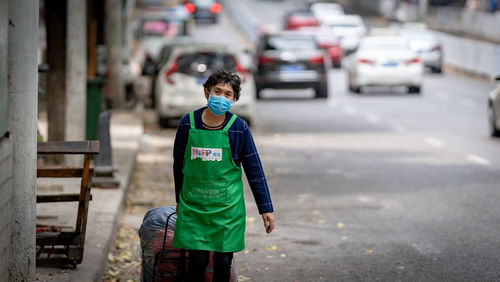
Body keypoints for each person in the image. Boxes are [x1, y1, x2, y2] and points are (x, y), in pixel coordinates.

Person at [172, 70, 275, 282]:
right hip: (194, 208)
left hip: (227, 210)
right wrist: (178, 199)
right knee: (197, 262)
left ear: (234, 99)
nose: (221, 97)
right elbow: (178, 166)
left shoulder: (239, 128)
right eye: (217, 91)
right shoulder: (187, 123)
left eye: (228, 94)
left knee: (222, 264)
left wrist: (266, 209)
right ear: (206, 92)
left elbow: (254, 169)